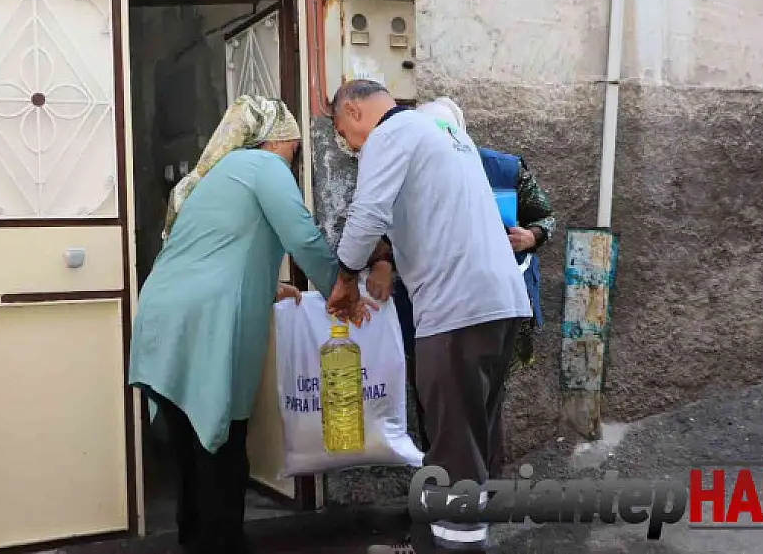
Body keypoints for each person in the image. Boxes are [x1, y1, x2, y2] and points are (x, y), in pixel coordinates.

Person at [128, 95, 372, 554]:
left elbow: (219, 247)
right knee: (221, 441)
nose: (293, 157)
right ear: (275, 139)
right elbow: (301, 234)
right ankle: (223, 543)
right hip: (206, 319)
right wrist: (343, 291)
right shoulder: (264, 168)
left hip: (164, 313)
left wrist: (267, 286)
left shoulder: (215, 176)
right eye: (293, 147)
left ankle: (196, 540)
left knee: (188, 443)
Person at [326, 80, 532, 551]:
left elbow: (366, 215)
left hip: (456, 308)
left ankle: (458, 543)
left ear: (355, 111)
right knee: (465, 439)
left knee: (456, 446)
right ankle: (429, 542)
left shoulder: (390, 134)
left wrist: (343, 281)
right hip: (499, 303)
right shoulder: (441, 134)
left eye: (343, 133)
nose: (349, 146)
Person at [368, 98, 556, 470]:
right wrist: (382, 261)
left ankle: (468, 502)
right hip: (431, 305)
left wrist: (531, 236)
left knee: (480, 407)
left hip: (489, 302)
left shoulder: (504, 168)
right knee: (441, 407)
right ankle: (448, 496)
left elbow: (546, 216)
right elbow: (388, 228)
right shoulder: (411, 167)